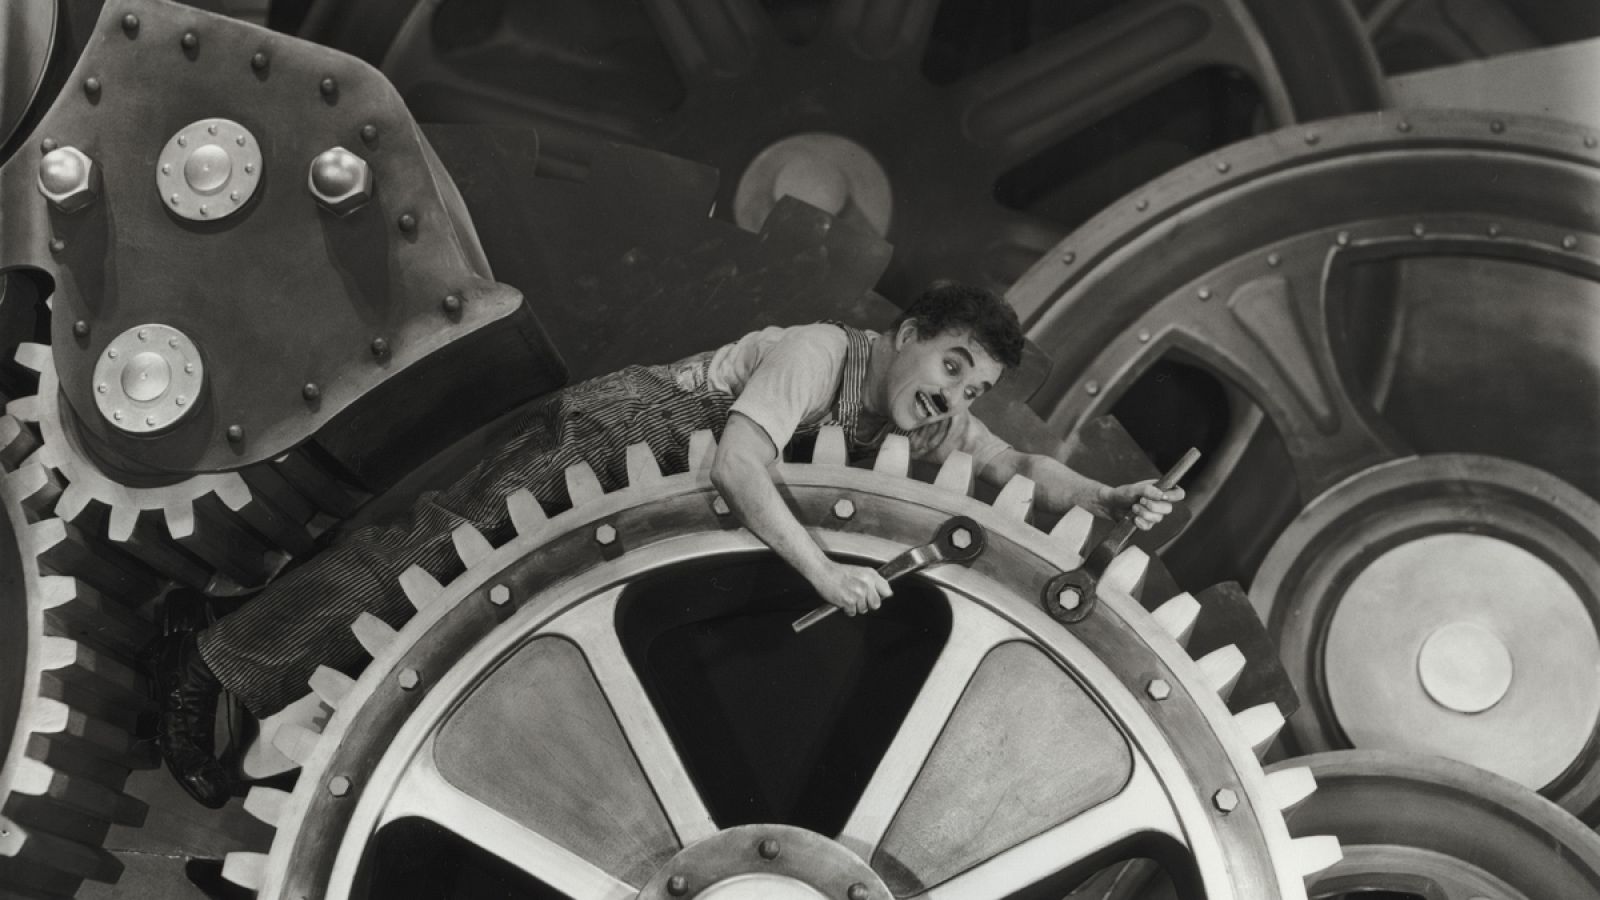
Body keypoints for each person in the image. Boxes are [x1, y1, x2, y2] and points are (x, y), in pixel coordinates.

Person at [148, 282, 1182, 807]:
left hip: (629, 497)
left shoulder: (921, 412)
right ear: (907, 332)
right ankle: (205, 669)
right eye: (951, 365)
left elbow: (1017, 471)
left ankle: (244, 671)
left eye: (972, 388)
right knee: (409, 564)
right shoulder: (823, 355)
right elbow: (737, 465)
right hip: (604, 440)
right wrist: (826, 571)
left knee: (429, 610)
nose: (954, 397)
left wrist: (1107, 492)